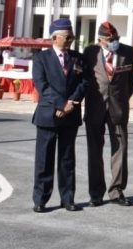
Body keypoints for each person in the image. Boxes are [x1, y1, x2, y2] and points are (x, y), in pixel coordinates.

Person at [31, 18, 87, 212]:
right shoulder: (41, 58)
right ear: (54, 37)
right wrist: (60, 103)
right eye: (66, 36)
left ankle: (68, 198)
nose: (70, 39)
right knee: (44, 160)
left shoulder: (78, 58)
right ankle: (40, 199)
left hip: (70, 115)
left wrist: (71, 102)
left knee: (67, 159)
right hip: (48, 115)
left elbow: (84, 83)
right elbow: (41, 84)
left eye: (71, 35)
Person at [83, 21, 133, 207]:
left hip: (118, 109)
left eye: (116, 38)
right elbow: (84, 79)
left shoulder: (127, 52)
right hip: (95, 108)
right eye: (110, 39)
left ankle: (116, 191)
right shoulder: (90, 53)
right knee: (94, 152)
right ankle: (96, 193)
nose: (114, 41)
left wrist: (121, 98)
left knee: (120, 149)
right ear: (100, 40)